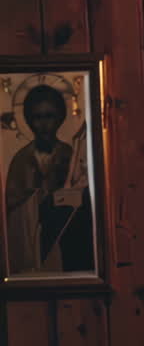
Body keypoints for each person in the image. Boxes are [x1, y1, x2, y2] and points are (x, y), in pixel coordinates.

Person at [4, 84, 88, 274]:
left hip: (64, 239)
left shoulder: (69, 155)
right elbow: (11, 205)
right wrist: (34, 198)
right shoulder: (21, 160)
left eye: (49, 116)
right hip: (30, 239)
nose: (43, 124)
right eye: (37, 117)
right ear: (29, 120)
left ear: (59, 118)